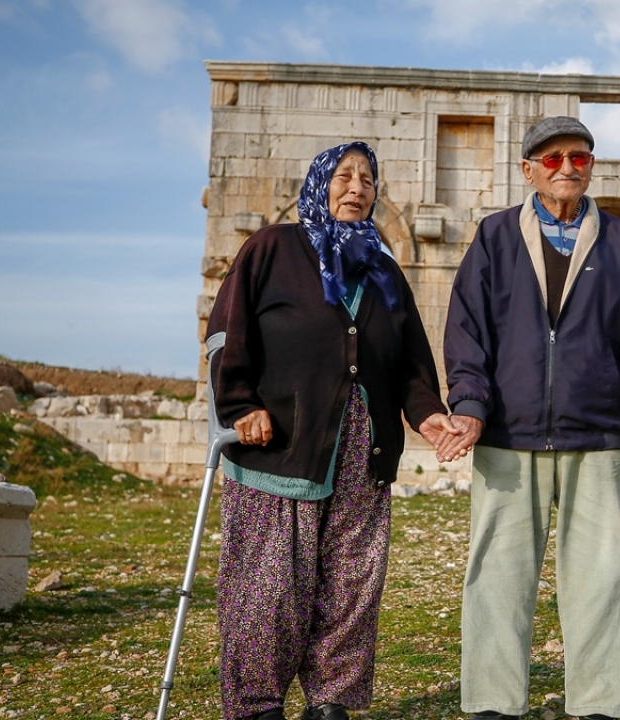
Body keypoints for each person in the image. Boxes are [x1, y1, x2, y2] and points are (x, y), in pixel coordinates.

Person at [206, 141, 460, 720]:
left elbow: (412, 366)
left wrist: (429, 415)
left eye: (368, 180)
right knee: (267, 586)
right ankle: (256, 704)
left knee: (353, 584)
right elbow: (226, 334)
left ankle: (332, 703)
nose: (357, 188)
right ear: (320, 184)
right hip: (279, 445)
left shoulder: (384, 269)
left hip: (361, 451)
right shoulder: (272, 248)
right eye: (344, 176)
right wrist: (241, 404)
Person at [442, 116, 620, 720]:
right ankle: (494, 703)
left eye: (580, 157)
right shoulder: (493, 238)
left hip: (595, 437)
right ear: (528, 171)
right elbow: (466, 333)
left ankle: (599, 704)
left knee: (605, 577)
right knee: (496, 576)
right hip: (507, 436)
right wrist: (469, 407)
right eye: (552, 159)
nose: (568, 167)